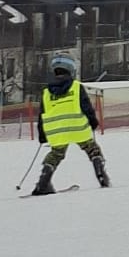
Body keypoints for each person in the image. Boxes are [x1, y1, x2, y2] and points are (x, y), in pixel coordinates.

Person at [33, 53, 110, 192]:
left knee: (56, 154)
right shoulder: (76, 87)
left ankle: (43, 181)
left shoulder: (46, 92)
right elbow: (86, 107)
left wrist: (42, 134)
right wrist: (93, 121)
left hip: (57, 131)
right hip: (78, 128)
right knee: (92, 149)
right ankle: (100, 173)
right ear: (71, 68)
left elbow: (41, 115)